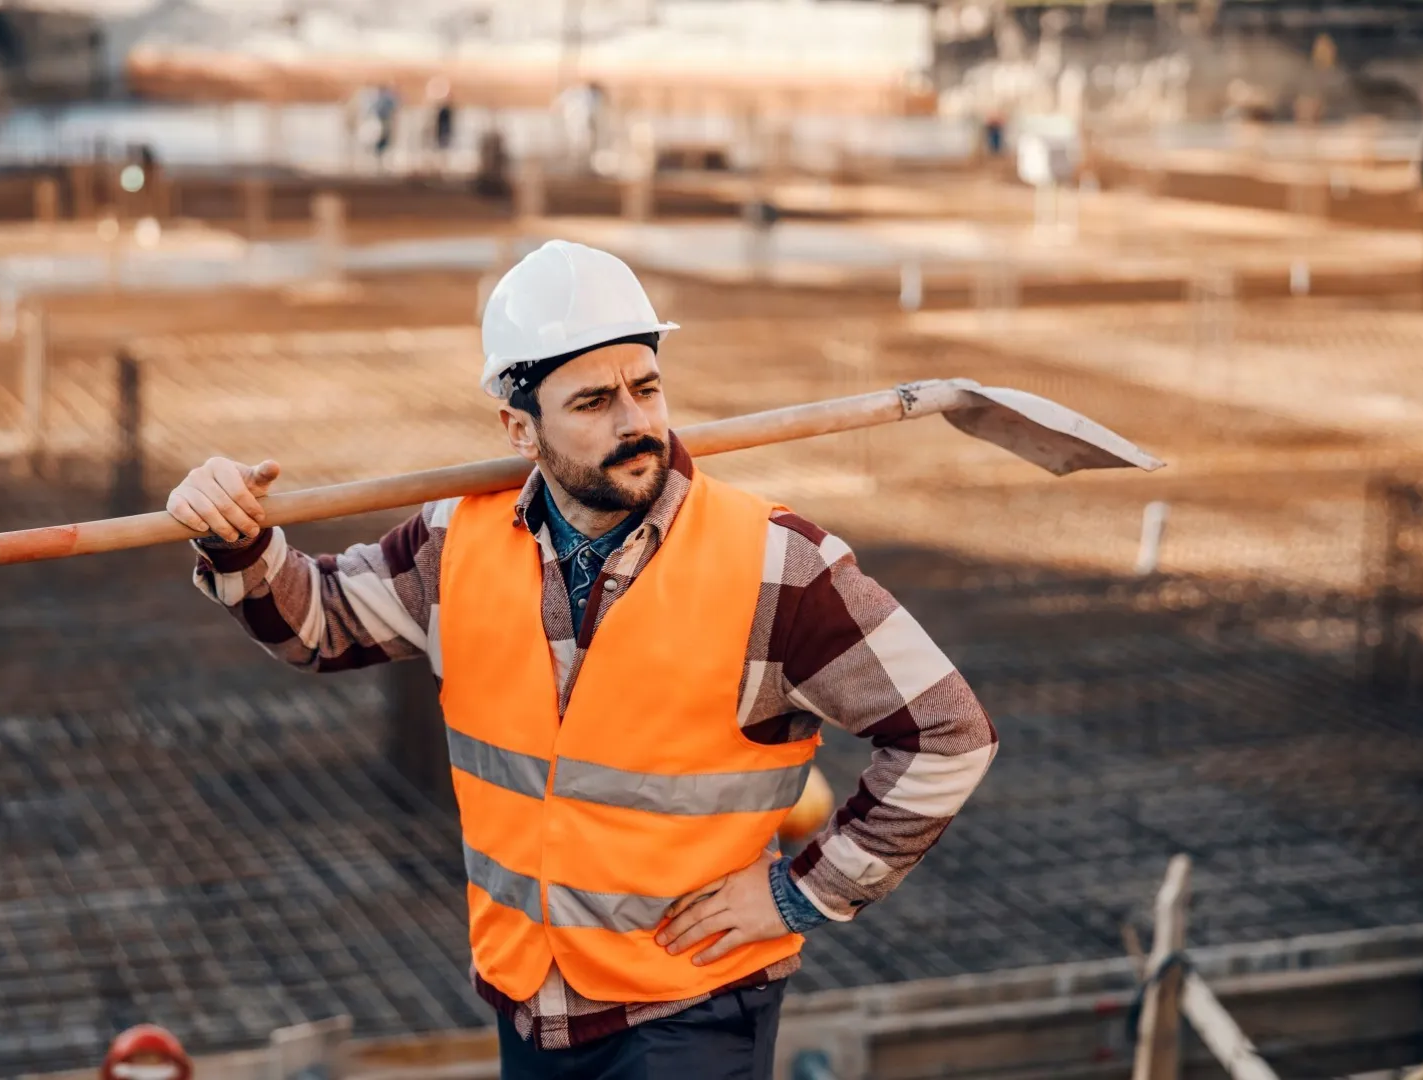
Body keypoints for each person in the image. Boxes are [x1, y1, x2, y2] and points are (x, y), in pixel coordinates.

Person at [169, 240, 997, 1079]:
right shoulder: (454, 542)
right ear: (518, 428)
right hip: (527, 1003)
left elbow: (950, 732)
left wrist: (801, 893)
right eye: (593, 401)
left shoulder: (775, 566)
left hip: (691, 1013)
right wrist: (236, 543)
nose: (635, 422)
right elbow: (319, 623)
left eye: (646, 388)